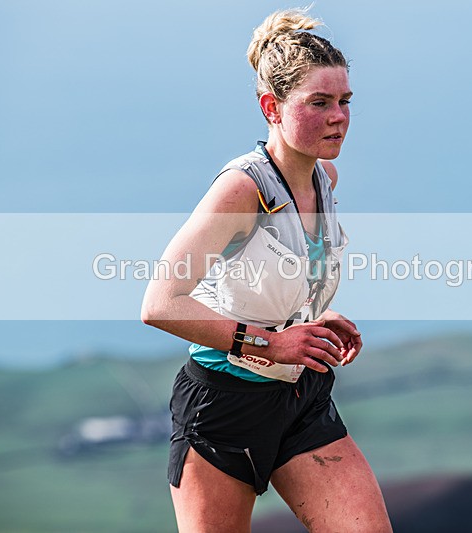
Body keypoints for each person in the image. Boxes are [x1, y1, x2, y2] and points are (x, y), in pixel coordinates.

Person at [141, 8, 392, 532]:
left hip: (303, 400)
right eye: (318, 103)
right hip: (222, 409)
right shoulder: (240, 190)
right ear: (271, 107)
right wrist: (270, 343)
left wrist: (312, 317)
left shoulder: (326, 177)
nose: (338, 116)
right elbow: (160, 304)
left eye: (345, 101)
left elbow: (274, 277)